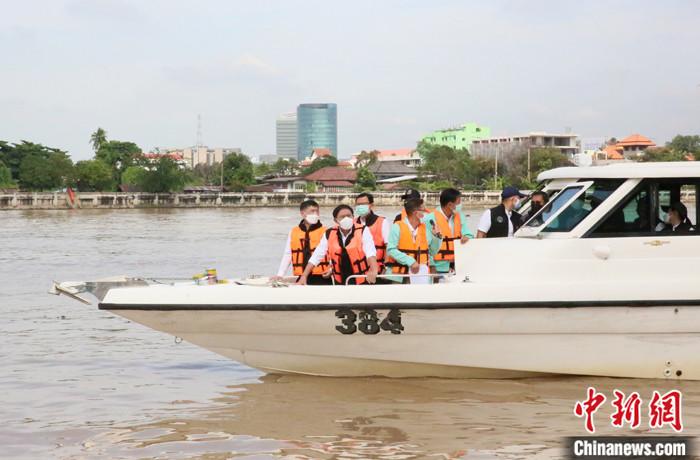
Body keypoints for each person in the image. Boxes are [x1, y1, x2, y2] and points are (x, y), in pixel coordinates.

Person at [298, 204, 379, 285]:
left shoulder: (363, 230)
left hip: (361, 278)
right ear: (336, 220)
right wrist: (304, 275)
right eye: (342, 217)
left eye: (349, 216)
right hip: (340, 279)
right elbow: (317, 256)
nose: (346, 218)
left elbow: (370, 252)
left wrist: (373, 270)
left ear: (353, 217)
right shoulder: (329, 233)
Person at [273, 199, 331, 285]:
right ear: (302, 213)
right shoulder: (293, 231)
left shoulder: (326, 231)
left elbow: (333, 254)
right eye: (312, 211)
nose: (315, 214)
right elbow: (288, 254)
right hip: (301, 275)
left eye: (317, 211)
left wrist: (331, 269)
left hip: (323, 276)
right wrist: (280, 274)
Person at [386, 198, 442, 284]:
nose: (426, 212)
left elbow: (432, 252)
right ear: (416, 213)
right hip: (400, 276)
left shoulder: (426, 228)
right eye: (423, 210)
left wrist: (436, 237)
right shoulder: (397, 227)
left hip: (421, 276)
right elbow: (391, 250)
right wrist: (410, 261)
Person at [424, 188, 473, 275]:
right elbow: (425, 246)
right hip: (438, 267)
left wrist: (467, 236)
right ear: (450, 205)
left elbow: (468, 233)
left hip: (458, 266)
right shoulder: (429, 219)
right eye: (458, 203)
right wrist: (432, 266)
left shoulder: (460, 216)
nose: (460, 205)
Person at [354, 192, 391, 278]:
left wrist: (386, 268)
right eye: (358, 204)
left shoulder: (382, 222)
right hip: (357, 269)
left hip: (377, 269)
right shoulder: (353, 222)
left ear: (371, 205)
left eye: (363, 204)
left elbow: (388, 247)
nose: (360, 206)